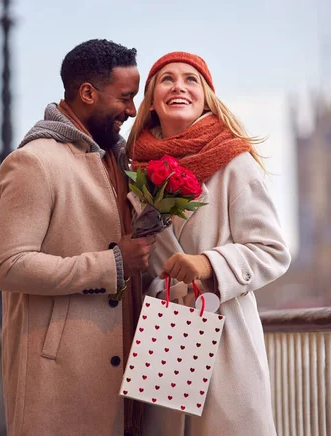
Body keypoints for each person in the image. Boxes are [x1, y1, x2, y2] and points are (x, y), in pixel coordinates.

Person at [0, 39, 156, 436]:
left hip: (138, 371)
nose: (133, 111)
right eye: (126, 97)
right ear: (87, 93)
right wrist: (111, 264)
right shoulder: (34, 162)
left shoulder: (120, 162)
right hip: (64, 380)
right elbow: (9, 267)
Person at [127, 51, 291, 436]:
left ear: (206, 96)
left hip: (225, 330)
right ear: (151, 99)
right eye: (167, 79)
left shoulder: (235, 161)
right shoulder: (133, 168)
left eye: (191, 79)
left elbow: (272, 250)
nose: (179, 86)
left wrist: (209, 264)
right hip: (163, 329)